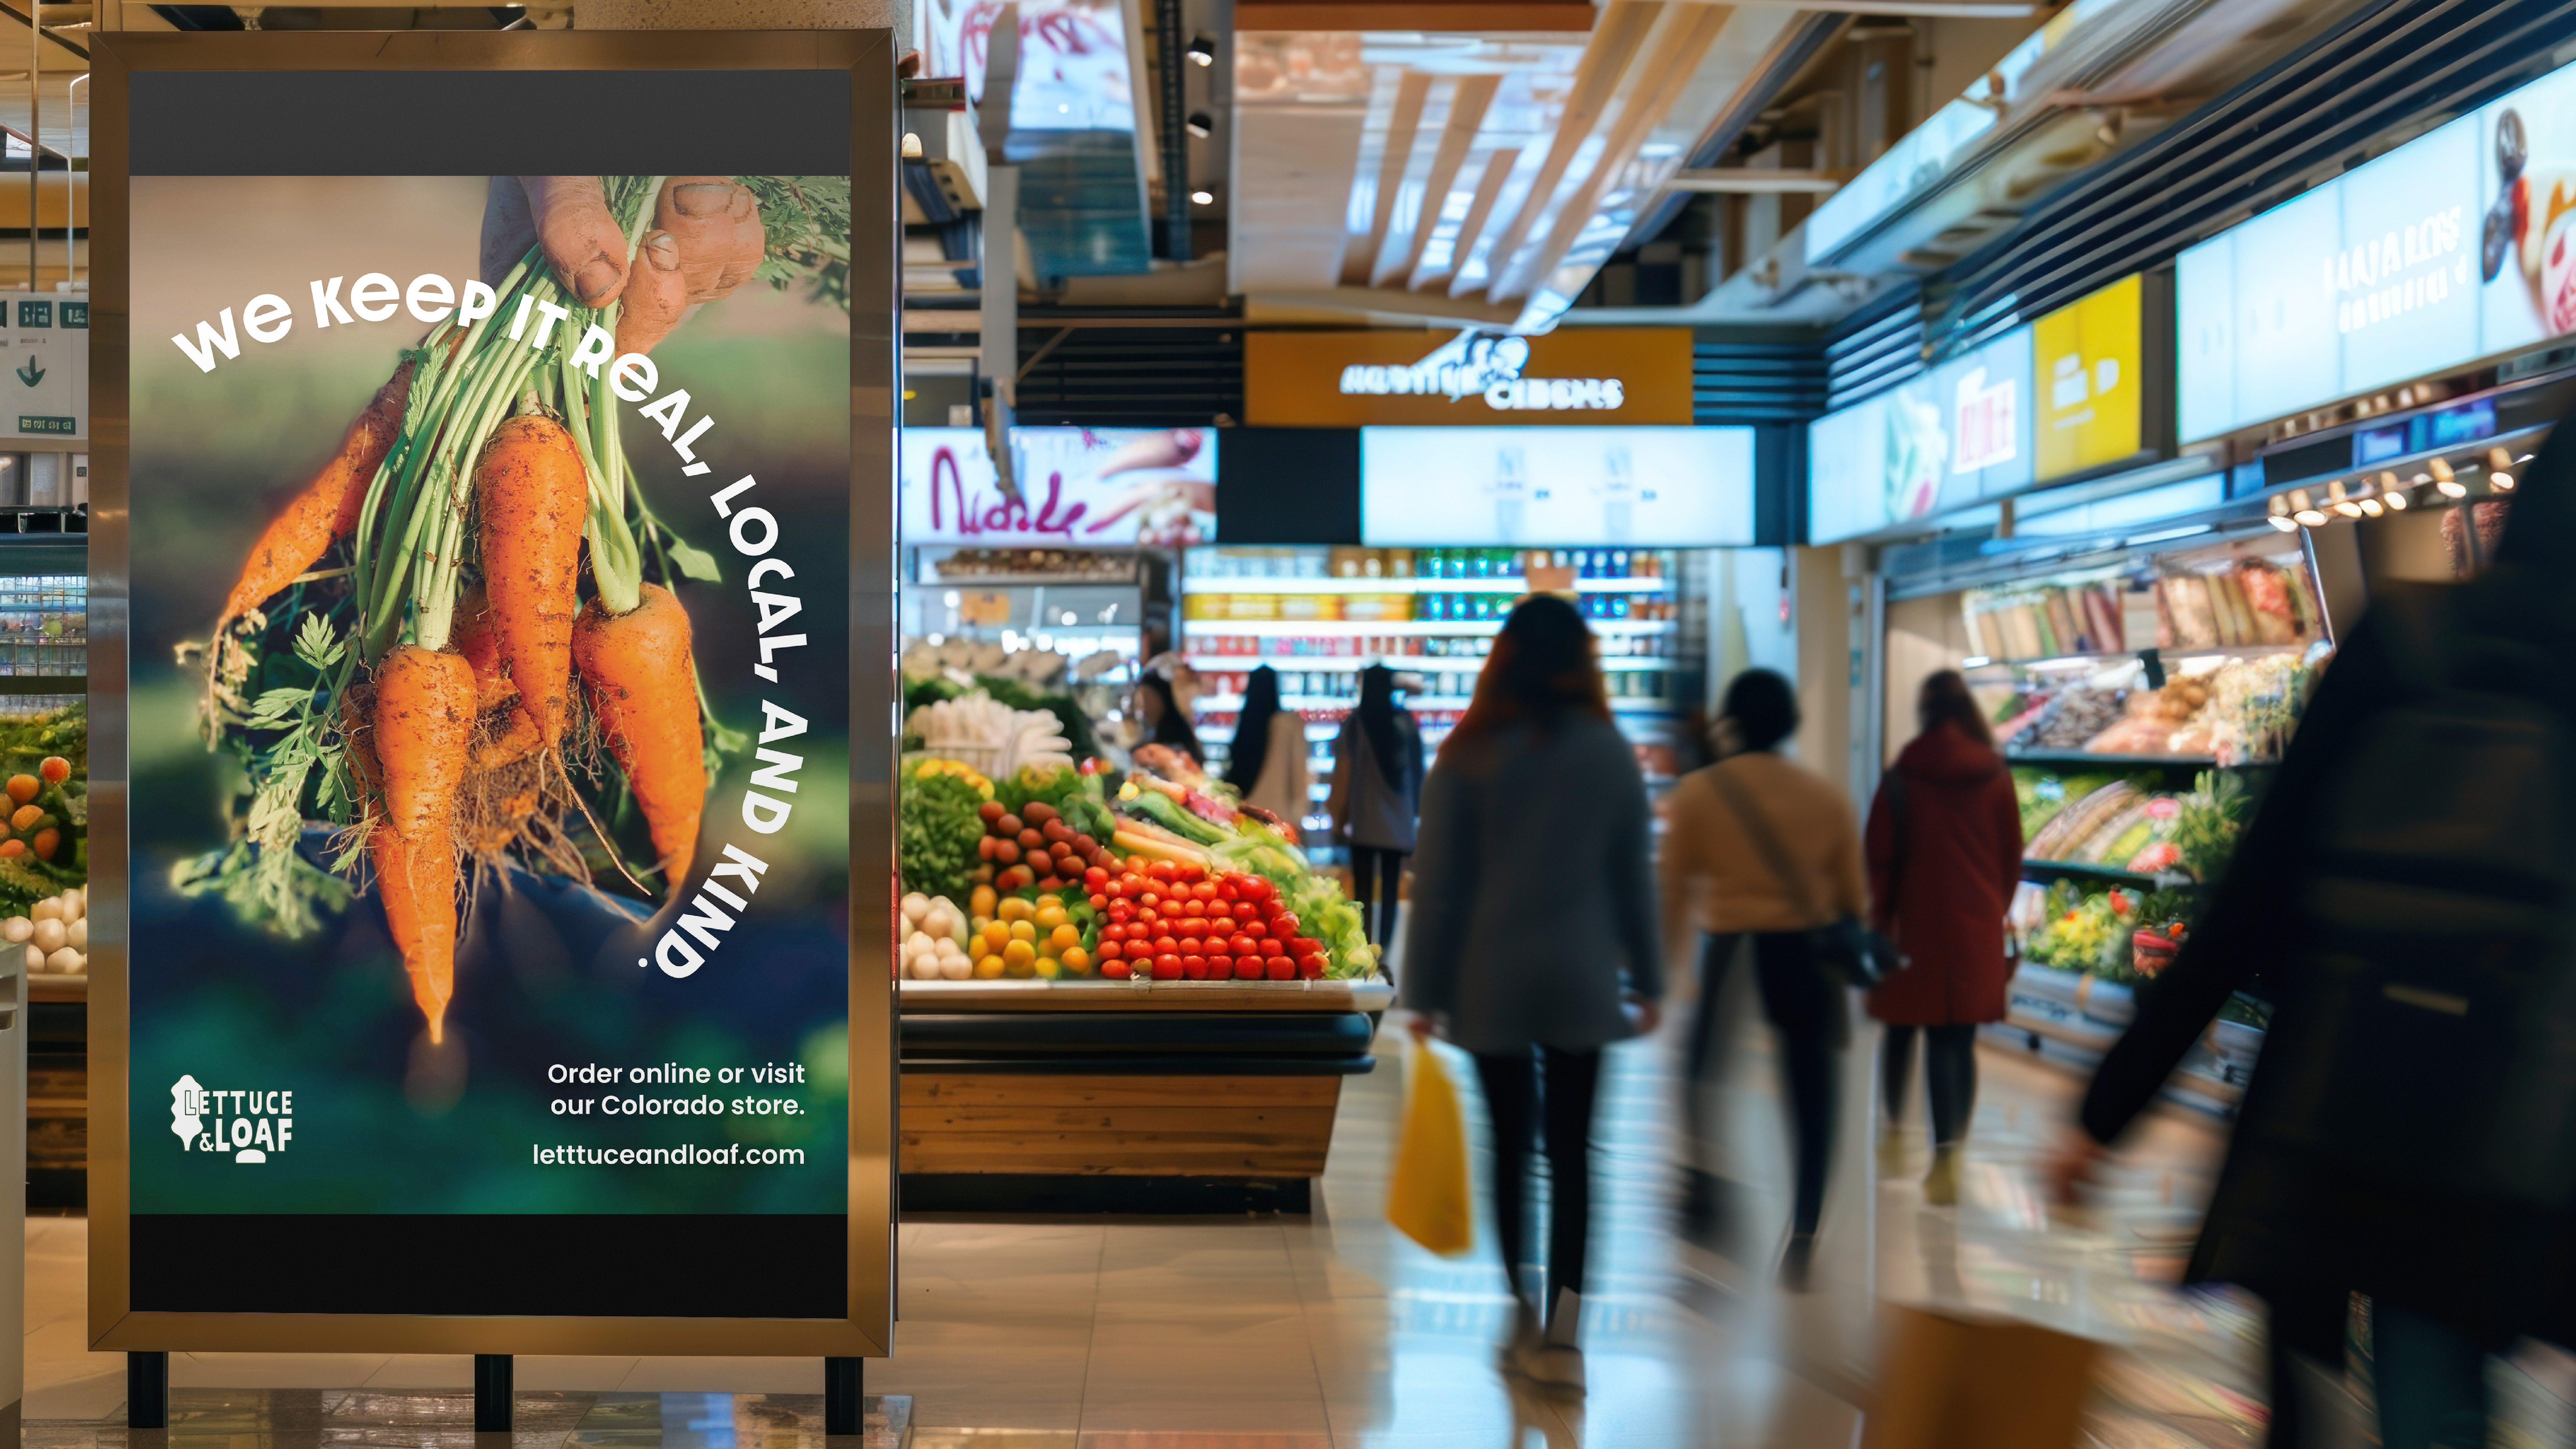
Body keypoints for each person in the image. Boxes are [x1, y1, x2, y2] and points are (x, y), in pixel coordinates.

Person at [2048, 425, 2576, 1449]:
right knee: (2439, 1394)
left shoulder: (2405, 641)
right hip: (2504, 1139)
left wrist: (2109, 1107)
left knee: (2308, 1402)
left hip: (2330, 1113)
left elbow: (2253, 890)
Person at [1400, 596, 1662, 1393]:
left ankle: (1516, 1307)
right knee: (1575, 1155)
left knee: (1510, 1148)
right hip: (1582, 977)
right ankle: (1564, 1336)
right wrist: (1647, 977)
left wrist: (1422, 988)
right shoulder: (1607, 751)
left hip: (1491, 977)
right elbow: (1632, 880)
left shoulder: (1467, 751)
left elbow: (1437, 884)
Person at [1658, 668, 1865, 1289]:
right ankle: (1804, 1227)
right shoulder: (1825, 798)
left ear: (1733, 721)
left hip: (1731, 952)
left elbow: (1673, 895)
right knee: (1812, 1092)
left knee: (1699, 1074)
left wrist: (1665, 978)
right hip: (1802, 952)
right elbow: (1851, 897)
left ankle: (1707, 1190)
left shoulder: (1699, 793)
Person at [1863, 670, 2022, 1206]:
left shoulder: (1901, 777)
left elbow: (1879, 861)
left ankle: (1892, 1131)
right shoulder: (1994, 775)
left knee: (1908, 1029)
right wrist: (1990, 911)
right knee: (1957, 1042)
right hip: (1974, 929)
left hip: (1915, 928)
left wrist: (1879, 924)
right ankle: (1948, 1155)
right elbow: (2011, 857)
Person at [1326, 663, 1424, 955]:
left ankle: (1367, 950)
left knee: (1364, 894)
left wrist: (1338, 818)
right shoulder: (1405, 722)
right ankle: (1387, 950)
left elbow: (1344, 773)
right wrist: (1414, 813)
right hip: (1398, 822)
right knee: (1392, 891)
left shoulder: (1358, 723)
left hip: (1365, 821)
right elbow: (1419, 772)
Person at [1223, 665, 1311, 837]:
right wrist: (1299, 816)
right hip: (1281, 819)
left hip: (1246, 816)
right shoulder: (1289, 724)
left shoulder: (1245, 723)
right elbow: (1300, 775)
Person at [1132, 670, 1204, 769]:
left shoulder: (1176, 734)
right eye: (1140, 702)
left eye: (1148, 699)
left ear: (1162, 699)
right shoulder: (1148, 732)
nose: (1144, 708)